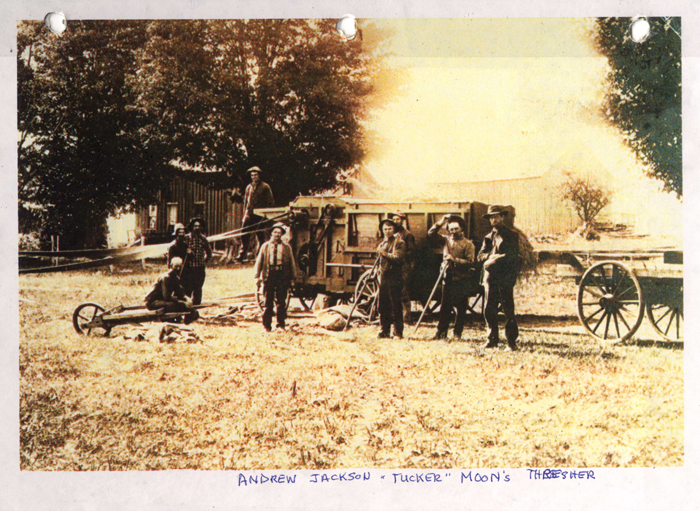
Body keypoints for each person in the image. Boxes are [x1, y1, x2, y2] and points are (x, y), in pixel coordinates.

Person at [477, 205, 521, 350]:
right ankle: (492, 340)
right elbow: (480, 256)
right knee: (489, 309)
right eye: (491, 217)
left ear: (503, 217)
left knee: (508, 310)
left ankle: (511, 342)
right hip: (490, 278)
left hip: (505, 277)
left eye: (497, 216)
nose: (494, 219)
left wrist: (497, 259)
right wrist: (489, 257)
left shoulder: (511, 235)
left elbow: (513, 255)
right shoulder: (488, 237)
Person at [428, 214, 475, 340]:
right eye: (451, 229)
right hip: (447, 278)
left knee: (460, 309)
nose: (453, 232)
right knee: (445, 308)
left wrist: (454, 260)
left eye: (456, 229)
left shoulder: (468, 244)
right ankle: (441, 333)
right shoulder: (446, 240)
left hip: (461, 279)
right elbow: (431, 233)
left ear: (462, 229)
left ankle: (457, 334)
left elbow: (470, 262)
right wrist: (442, 221)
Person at [254, 222, 298, 332]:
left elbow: (292, 263)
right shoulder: (265, 246)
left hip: (282, 276)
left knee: (281, 302)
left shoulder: (286, 247)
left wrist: (293, 278)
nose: (277, 235)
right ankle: (267, 326)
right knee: (268, 302)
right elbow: (259, 262)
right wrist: (257, 276)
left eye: (279, 233)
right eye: (275, 232)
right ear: (271, 234)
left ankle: (280, 325)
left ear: (282, 234)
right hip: (269, 276)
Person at [236, 166, 275, 262]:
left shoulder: (265, 187)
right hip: (249, 214)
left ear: (259, 176)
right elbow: (246, 201)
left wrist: (265, 214)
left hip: (260, 215)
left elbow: (270, 202)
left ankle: (260, 255)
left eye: (255, 175)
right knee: (244, 234)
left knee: (260, 236)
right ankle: (242, 254)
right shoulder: (249, 187)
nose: (253, 177)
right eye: (252, 175)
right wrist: (245, 213)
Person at [144, 257, 199, 324]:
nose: (178, 269)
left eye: (180, 267)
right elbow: (166, 297)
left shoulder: (175, 277)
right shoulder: (166, 278)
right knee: (176, 306)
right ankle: (175, 321)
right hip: (152, 302)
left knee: (187, 307)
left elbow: (180, 292)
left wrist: (187, 298)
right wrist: (182, 302)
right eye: (176, 266)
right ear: (171, 266)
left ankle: (182, 321)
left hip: (161, 301)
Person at [376, 218, 407, 339]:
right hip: (384, 276)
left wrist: (383, 253)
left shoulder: (400, 243)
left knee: (395, 305)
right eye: (385, 229)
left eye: (390, 229)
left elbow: (398, 258)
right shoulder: (382, 243)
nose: (387, 231)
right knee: (383, 305)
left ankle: (398, 332)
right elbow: (379, 261)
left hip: (395, 276)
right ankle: (384, 330)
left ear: (394, 230)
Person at [389, 211, 416, 324]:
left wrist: (400, 256)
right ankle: (393, 316)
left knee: (404, 292)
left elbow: (412, 251)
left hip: (403, 266)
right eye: (394, 219)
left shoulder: (407, 234)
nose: (395, 221)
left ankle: (406, 318)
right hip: (392, 265)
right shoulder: (390, 233)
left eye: (398, 219)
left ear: (402, 221)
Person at [184, 217, 212, 305]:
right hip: (189, 268)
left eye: (199, 226)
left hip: (199, 268)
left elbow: (209, 252)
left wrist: (204, 261)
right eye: (195, 226)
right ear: (192, 227)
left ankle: (196, 307)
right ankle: (186, 307)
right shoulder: (186, 238)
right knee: (187, 288)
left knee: (198, 288)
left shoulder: (203, 239)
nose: (197, 228)